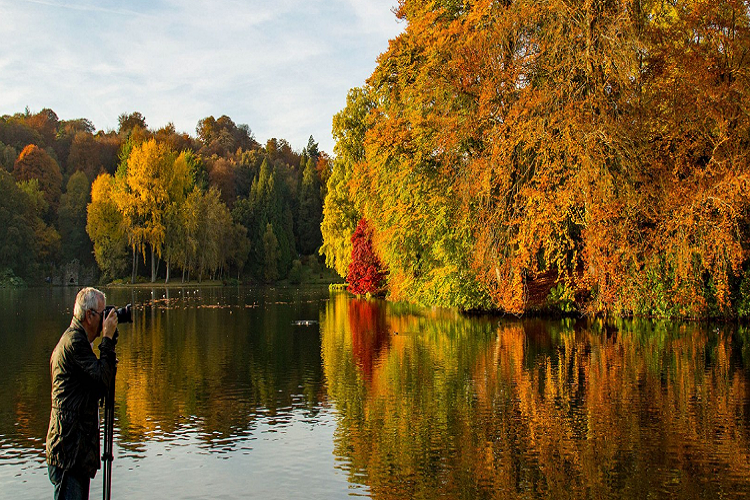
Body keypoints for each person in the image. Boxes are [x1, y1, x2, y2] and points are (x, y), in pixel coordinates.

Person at [46, 287, 118, 500]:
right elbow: (101, 380)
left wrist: (106, 342)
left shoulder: (74, 339)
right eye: (102, 313)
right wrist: (107, 341)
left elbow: (97, 385)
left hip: (71, 450)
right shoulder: (75, 343)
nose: (105, 319)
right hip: (69, 453)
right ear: (89, 315)